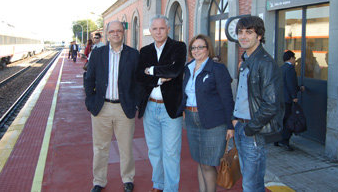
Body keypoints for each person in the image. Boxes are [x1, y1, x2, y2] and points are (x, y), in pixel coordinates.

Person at [84, 21, 140, 192]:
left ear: (124, 33)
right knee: (100, 147)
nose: (116, 34)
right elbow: (89, 79)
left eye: (119, 31)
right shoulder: (98, 54)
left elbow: (138, 82)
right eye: (112, 31)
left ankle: (128, 179)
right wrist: (90, 101)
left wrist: (135, 102)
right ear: (107, 34)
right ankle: (99, 181)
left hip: (124, 108)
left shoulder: (133, 54)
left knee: (126, 147)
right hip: (102, 107)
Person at [232, 16, 283, 192]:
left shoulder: (265, 63)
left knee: (251, 184)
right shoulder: (246, 60)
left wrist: (250, 129)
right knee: (251, 180)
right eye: (240, 32)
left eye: (249, 32)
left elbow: (271, 104)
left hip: (252, 131)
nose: (243, 36)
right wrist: (235, 119)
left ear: (259, 35)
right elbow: (241, 95)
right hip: (242, 126)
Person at [177, 34, 234, 192]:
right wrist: (182, 109)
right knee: (200, 161)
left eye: (200, 47)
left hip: (213, 123)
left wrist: (230, 125)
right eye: (193, 48)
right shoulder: (188, 68)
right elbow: (184, 93)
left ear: (208, 49)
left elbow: (227, 98)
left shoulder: (217, 69)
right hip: (191, 120)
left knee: (208, 163)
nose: (196, 50)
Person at [136, 14, 187, 192]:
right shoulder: (145, 51)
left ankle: (171, 189)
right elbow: (139, 77)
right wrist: (159, 78)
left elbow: (175, 70)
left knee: (171, 153)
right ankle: (158, 184)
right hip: (150, 106)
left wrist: (150, 70)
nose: (158, 32)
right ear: (150, 31)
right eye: (155, 29)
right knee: (154, 150)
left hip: (170, 108)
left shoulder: (178, 47)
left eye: (162, 28)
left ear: (168, 29)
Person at [274, 50, 304, 151]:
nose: (294, 60)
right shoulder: (290, 69)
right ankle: (284, 140)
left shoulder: (281, 68)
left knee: (281, 119)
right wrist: (294, 96)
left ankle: (276, 139)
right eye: (294, 58)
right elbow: (291, 84)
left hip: (280, 98)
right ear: (291, 58)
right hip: (287, 99)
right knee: (288, 120)